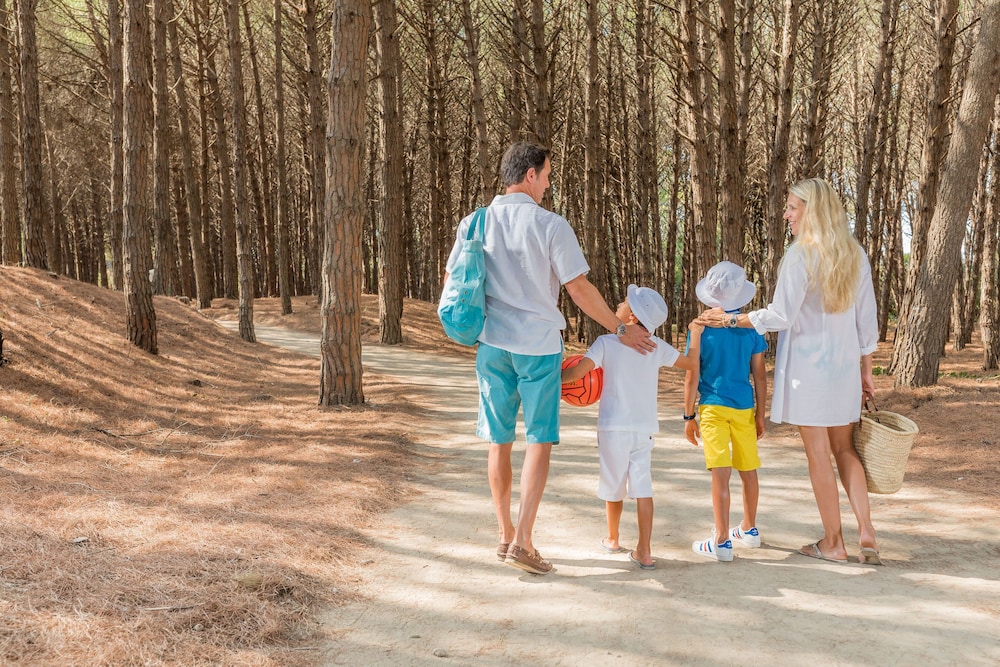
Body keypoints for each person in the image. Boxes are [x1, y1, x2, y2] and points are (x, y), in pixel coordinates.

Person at [443, 141, 656, 575]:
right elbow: (578, 290)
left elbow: (453, 279)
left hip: (491, 345)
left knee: (499, 441)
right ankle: (523, 541)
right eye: (546, 176)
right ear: (530, 175)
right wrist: (620, 329)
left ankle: (504, 535)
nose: (547, 185)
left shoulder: (474, 222)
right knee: (538, 441)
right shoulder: (550, 225)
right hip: (538, 348)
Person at [696, 178, 881, 565]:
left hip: (810, 372)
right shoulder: (855, 253)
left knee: (819, 455)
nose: (786, 214)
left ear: (812, 210)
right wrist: (866, 370)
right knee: (845, 449)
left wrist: (731, 320)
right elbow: (867, 321)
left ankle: (834, 542)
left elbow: (781, 316)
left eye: (793, 207)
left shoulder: (800, 256)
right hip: (844, 368)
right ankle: (867, 533)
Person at [561, 285, 701, 570]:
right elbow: (690, 363)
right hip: (643, 430)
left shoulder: (605, 342)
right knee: (643, 487)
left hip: (613, 429)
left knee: (614, 487)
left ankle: (613, 539)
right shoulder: (655, 346)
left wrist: (550, 377)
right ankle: (644, 551)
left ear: (633, 317)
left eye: (624, 302)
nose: (619, 304)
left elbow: (577, 373)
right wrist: (695, 334)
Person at [684, 262, 767, 562]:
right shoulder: (751, 329)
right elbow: (760, 375)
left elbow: (692, 375)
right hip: (744, 406)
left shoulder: (700, 329)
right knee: (748, 469)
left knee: (721, 473)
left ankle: (721, 540)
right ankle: (749, 529)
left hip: (713, 406)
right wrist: (761, 414)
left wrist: (688, 416)